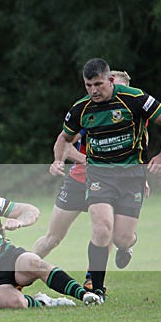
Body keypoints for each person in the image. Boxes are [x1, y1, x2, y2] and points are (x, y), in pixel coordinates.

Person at [52, 58, 161, 302]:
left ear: (110, 80)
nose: (93, 90)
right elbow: (63, 139)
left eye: (98, 84)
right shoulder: (81, 109)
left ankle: (128, 245)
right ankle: (95, 289)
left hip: (132, 176)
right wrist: (59, 160)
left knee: (121, 237)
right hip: (99, 176)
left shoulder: (134, 98)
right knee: (101, 228)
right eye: (88, 85)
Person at [33, 70, 144, 290]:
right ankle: (18, 272)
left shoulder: (132, 112)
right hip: (79, 180)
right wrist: (67, 160)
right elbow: (64, 144)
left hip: (116, 183)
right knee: (52, 237)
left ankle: (93, 278)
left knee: (107, 228)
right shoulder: (89, 112)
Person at [0, 177, 102, 311]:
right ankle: (44, 302)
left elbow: (31, 211)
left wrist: (20, 222)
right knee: (16, 303)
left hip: (10, 260)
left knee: (34, 262)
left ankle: (84, 295)